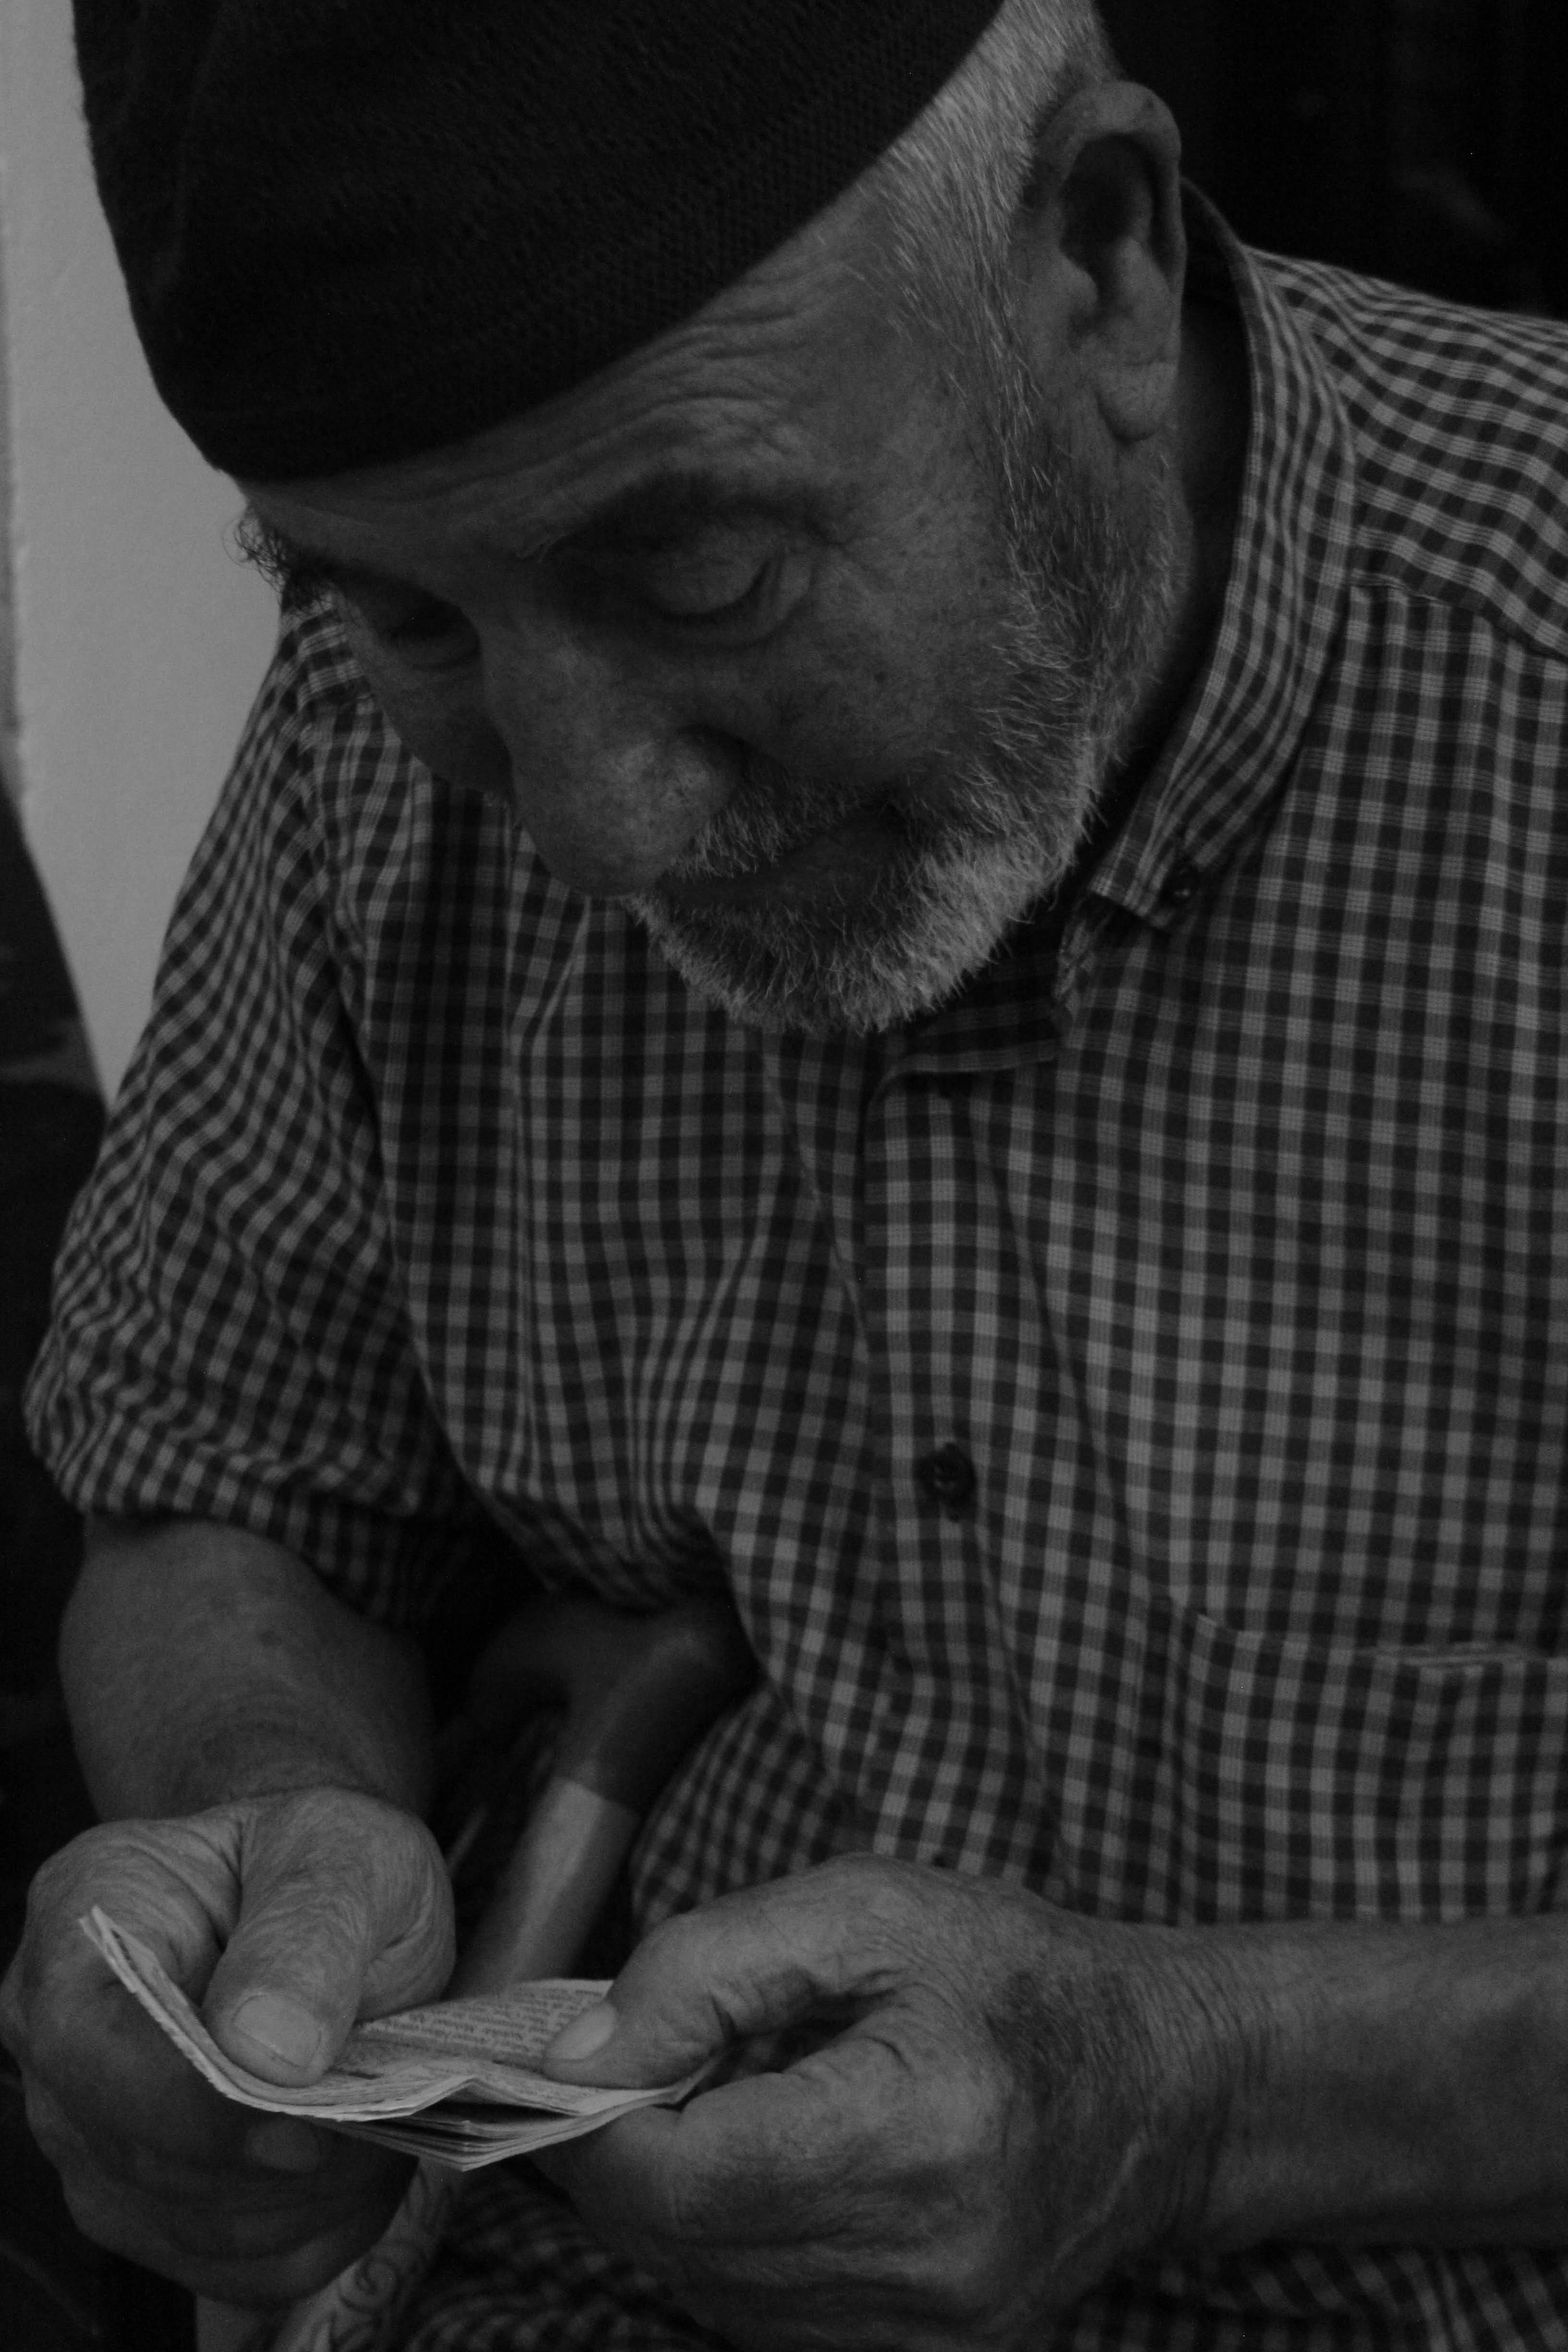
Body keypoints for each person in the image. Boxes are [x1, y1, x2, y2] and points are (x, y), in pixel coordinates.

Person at [5, 0, 1568, 2344]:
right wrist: (270, 1832)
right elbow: (221, 1480)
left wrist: (1208, 2088)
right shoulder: (378, 735)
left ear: (1102, 264)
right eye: (410, 610)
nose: (592, 818)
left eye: (702, 571)